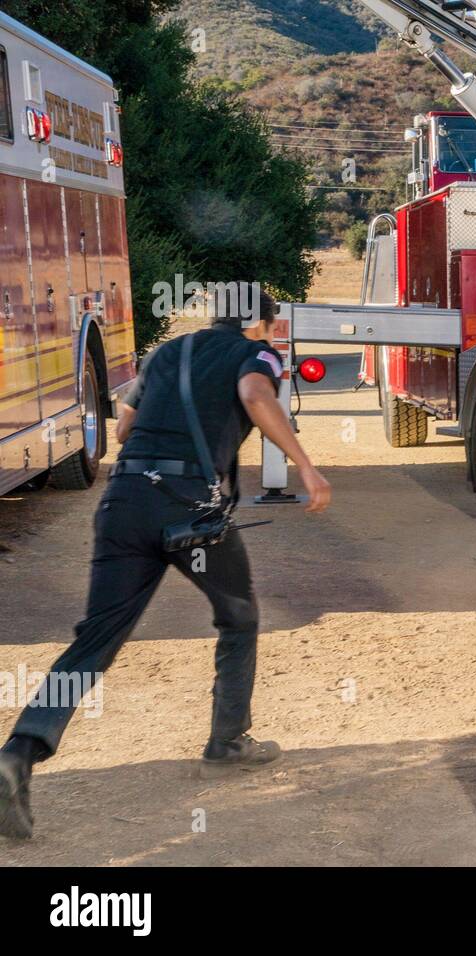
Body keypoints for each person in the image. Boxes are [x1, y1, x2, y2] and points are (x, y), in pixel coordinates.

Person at [0, 289, 331, 841]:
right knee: (240, 616)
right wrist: (306, 467)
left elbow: (125, 429)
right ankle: (226, 743)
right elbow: (254, 395)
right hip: (188, 510)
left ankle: (19, 751)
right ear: (260, 326)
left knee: (95, 638)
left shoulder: (166, 353)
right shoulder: (260, 356)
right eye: (273, 327)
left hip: (124, 499)